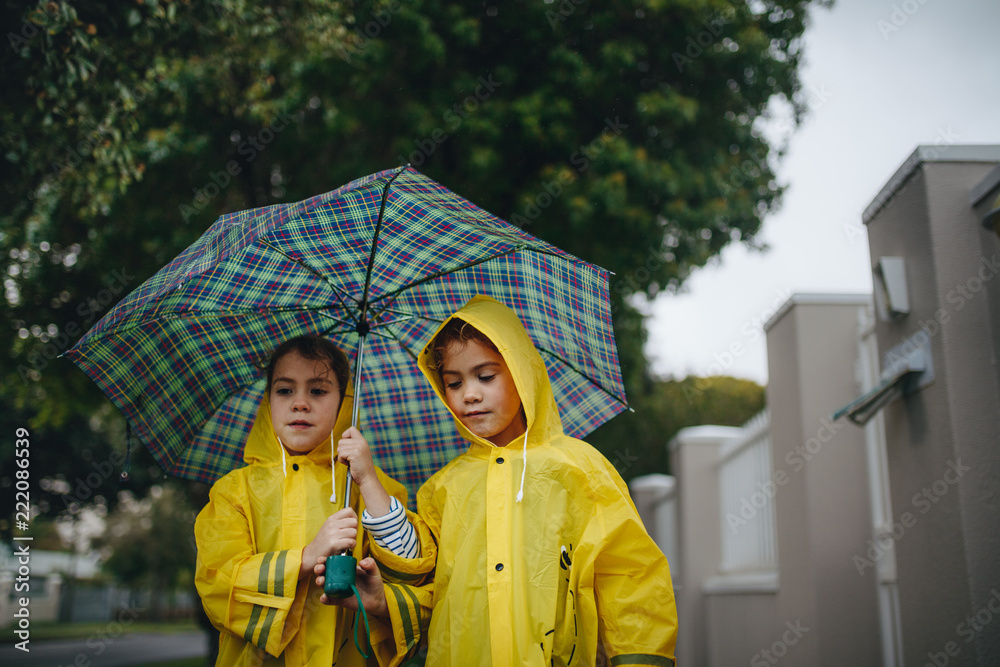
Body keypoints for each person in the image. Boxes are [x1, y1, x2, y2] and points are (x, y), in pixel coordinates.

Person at [320, 296, 678, 666]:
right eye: (453, 383)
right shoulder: (445, 486)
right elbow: (422, 574)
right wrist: (367, 479)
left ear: (522, 374)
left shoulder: (578, 467)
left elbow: (628, 573)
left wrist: (639, 659)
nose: (469, 395)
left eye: (485, 376)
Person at [194, 335, 418, 666]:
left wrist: (368, 481)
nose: (300, 403)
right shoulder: (233, 490)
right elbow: (218, 583)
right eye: (285, 390)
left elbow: (410, 571)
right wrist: (305, 557)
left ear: (344, 403)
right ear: (267, 400)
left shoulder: (364, 484)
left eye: (318, 390)